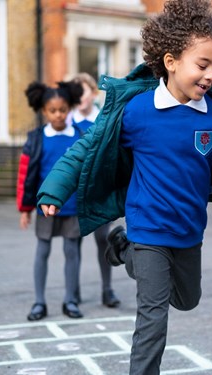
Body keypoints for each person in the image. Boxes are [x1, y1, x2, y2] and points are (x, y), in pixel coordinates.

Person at [37, 0, 212, 373]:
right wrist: (54, 188)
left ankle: (122, 248)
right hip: (148, 226)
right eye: (202, 65)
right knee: (152, 319)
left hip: (188, 230)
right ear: (170, 62)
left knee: (187, 300)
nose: (210, 76)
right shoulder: (137, 110)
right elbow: (84, 150)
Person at [17, 80, 87, 320]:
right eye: (52, 111)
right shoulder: (36, 138)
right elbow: (26, 175)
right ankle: (39, 302)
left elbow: (87, 172)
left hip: (72, 206)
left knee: (72, 252)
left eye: (63, 110)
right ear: (43, 111)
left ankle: (70, 301)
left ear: (69, 109)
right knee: (42, 252)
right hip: (44, 207)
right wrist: (24, 208)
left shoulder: (80, 136)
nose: (58, 115)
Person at [70, 72, 120, 308]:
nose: (80, 97)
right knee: (73, 243)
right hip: (74, 194)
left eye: (85, 92)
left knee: (103, 239)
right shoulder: (66, 123)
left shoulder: (104, 119)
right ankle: (73, 291)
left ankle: (107, 289)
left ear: (93, 93)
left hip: (99, 191)